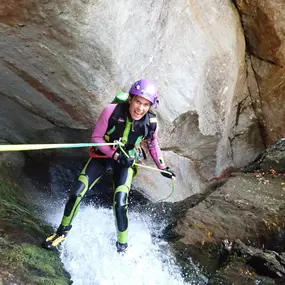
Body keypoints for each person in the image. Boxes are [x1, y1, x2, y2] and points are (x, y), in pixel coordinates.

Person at [42, 79, 176, 253]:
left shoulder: (151, 123)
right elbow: (96, 138)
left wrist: (163, 167)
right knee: (77, 193)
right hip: (103, 155)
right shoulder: (111, 111)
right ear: (130, 99)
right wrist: (114, 155)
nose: (140, 108)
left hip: (126, 161)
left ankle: (122, 247)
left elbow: (152, 144)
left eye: (145, 104)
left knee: (120, 203)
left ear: (150, 106)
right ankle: (61, 233)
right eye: (137, 102)